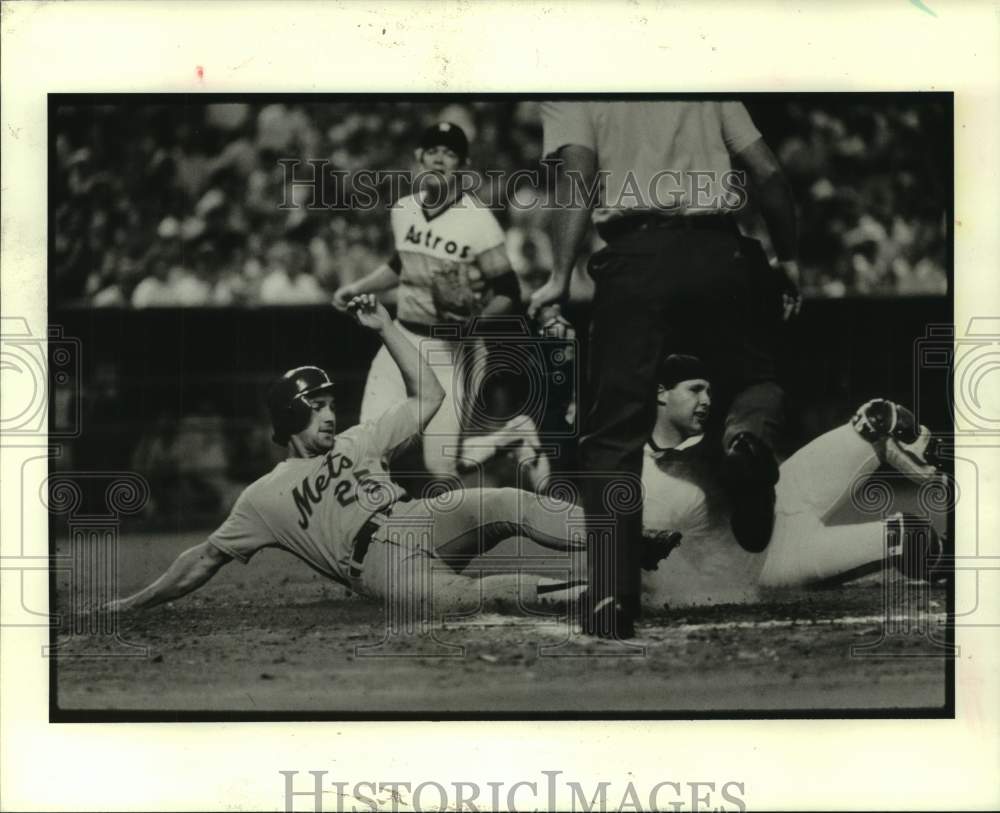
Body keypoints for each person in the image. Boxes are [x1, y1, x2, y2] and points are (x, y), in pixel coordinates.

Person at [106, 296, 591, 618]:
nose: (330, 414)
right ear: (291, 415)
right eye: (317, 407)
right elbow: (205, 558)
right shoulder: (262, 498)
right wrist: (134, 603)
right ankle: (581, 595)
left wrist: (386, 327)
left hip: (418, 516)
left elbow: (428, 397)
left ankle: (618, 540)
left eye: (330, 404)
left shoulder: (358, 440)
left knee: (504, 500)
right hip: (378, 566)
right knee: (469, 598)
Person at [531, 100, 801, 637]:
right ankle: (746, 442)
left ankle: (611, 593)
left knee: (614, 434)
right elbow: (766, 168)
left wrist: (559, 274)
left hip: (636, 259)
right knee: (752, 380)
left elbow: (579, 173)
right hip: (719, 250)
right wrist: (788, 256)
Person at [639, 354, 948, 608]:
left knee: (882, 420)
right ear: (661, 393)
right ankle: (950, 562)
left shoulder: (714, 432)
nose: (706, 400)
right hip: (768, 560)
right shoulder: (640, 473)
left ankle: (973, 491)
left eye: (708, 390)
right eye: (694, 390)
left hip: (784, 494)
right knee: (913, 537)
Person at [332, 122, 521, 481]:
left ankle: (508, 440)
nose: (439, 159)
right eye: (433, 150)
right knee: (368, 448)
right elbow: (400, 264)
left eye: (449, 153)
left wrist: (474, 322)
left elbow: (510, 293)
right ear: (419, 158)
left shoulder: (480, 222)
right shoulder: (404, 208)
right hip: (400, 336)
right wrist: (356, 287)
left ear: (462, 167)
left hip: (451, 349)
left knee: (440, 466)